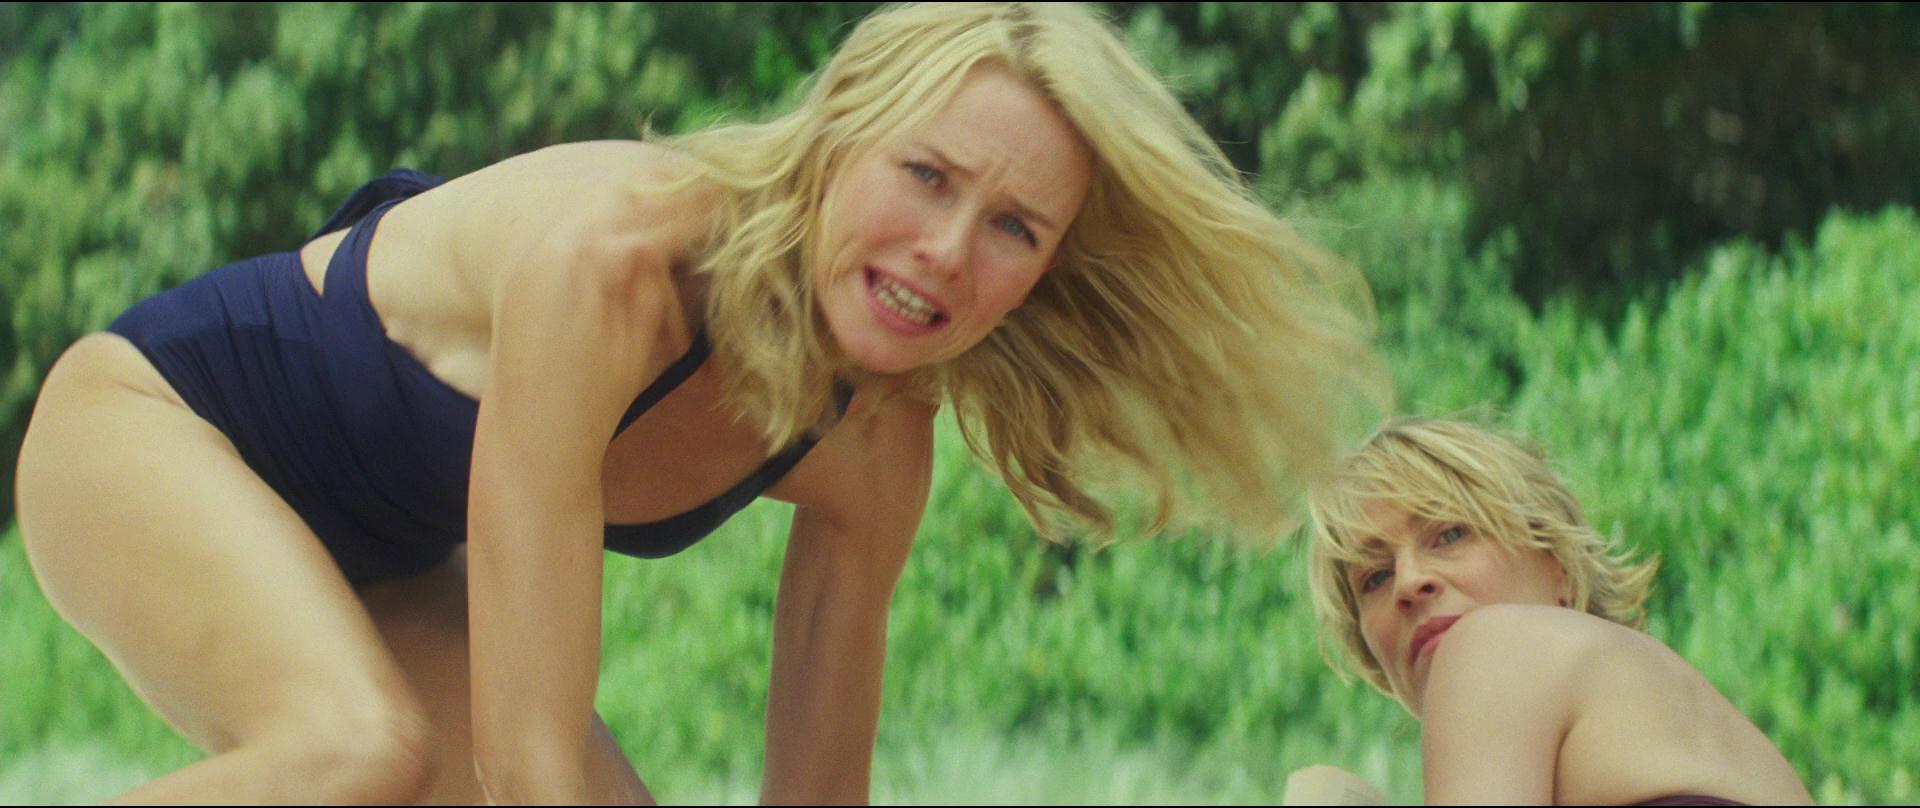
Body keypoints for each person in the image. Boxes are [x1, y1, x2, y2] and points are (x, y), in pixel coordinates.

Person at [13, 2, 1389, 804]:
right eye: (926, 176)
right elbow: (526, 761)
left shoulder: (876, 435)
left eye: (1013, 229)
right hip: (156, 424)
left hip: (378, 556)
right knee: (355, 751)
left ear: (1045, 270)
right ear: (840, 137)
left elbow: (817, 796)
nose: (945, 252)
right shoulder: (616, 264)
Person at [1295, 417, 1813, 805]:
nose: (1409, 582)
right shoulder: (1701, 729)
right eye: (1375, 577)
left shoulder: (1489, 646)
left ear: (1556, 563)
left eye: (1450, 534)